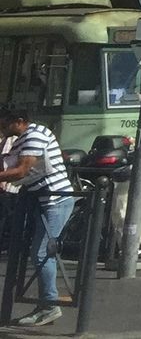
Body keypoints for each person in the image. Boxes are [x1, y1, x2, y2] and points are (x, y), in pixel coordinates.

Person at [0, 106, 75, 326]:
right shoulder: (21, 139)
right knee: (36, 250)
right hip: (39, 200)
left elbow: (22, 170)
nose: (2, 127)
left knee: (42, 251)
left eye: (5, 123)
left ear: (19, 120)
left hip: (55, 200)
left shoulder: (35, 135)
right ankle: (45, 305)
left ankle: (49, 306)